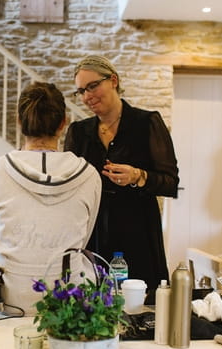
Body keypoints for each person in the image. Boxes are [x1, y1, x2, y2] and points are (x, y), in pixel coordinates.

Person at [0, 81, 102, 315]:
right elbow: (83, 239)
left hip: (10, 302)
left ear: (19, 122)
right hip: (69, 303)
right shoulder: (89, 177)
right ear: (63, 124)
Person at [64, 55, 179, 294]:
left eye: (92, 86)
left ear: (113, 80)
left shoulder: (147, 123)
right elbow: (69, 186)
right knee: (94, 304)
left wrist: (138, 176)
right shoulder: (78, 132)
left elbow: (170, 183)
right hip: (94, 234)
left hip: (139, 232)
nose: (87, 97)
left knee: (144, 306)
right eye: (81, 91)